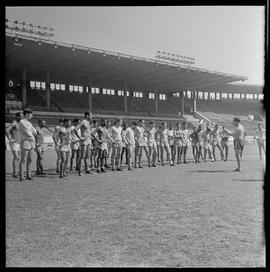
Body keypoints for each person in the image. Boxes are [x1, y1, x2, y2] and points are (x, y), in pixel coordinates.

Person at [18, 108, 37, 181]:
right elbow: (28, 133)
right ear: (27, 114)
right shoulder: (22, 122)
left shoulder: (29, 123)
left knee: (30, 159)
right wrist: (31, 133)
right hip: (25, 141)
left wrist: (31, 133)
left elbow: (35, 132)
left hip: (31, 142)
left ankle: (28, 175)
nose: (32, 116)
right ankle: (21, 176)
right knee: (23, 159)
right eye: (31, 114)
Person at [75, 112, 93, 176]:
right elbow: (76, 129)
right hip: (84, 140)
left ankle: (87, 169)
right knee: (82, 156)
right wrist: (80, 137)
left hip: (88, 140)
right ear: (87, 115)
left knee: (88, 156)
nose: (92, 116)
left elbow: (89, 131)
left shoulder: (88, 122)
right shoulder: (83, 122)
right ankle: (80, 171)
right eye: (91, 115)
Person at [6, 112, 23, 177]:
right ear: (17, 117)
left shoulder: (20, 124)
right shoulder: (14, 122)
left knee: (18, 158)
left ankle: (15, 172)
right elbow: (7, 130)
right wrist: (10, 139)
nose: (22, 117)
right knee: (16, 157)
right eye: (21, 116)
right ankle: (15, 173)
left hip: (19, 142)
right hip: (14, 143)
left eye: (22, 116)